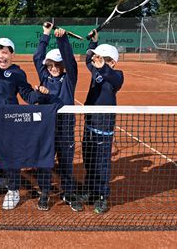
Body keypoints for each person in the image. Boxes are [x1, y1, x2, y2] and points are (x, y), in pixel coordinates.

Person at [0, 6, 49, 210]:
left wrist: (37, 95)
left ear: (13, 54)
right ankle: (2, 178)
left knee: (12, 155)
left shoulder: (17, 73)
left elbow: (26, 93)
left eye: (5, 52)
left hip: (10, 118)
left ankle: (14, 189)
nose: (1, 56)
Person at [32, 23, 82, 211]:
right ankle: (45, 193)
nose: (53, 68)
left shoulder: (69, 80)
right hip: (46, 129)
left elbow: (70, 61)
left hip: (66, 129)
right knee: (44, 163)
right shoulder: (44, 77)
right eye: (50, 64)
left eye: (57, 65)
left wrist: (62, 39)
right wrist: (45, 34)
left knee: (66, 164)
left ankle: (68, 193)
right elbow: (37, 57)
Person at [81, 30, 124, 214]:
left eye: (104, 59)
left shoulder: (117, 76)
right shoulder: (96, 70)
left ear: (112, 62)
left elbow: (112, 77)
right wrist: (93, 42)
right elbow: (87, 59)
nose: (98, 61)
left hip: (104, 130)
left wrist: (103, 66)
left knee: (102, 165)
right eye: (98, 58)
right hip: (89, 125)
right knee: (89, 162)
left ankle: (102, 196)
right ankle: (91, 191)